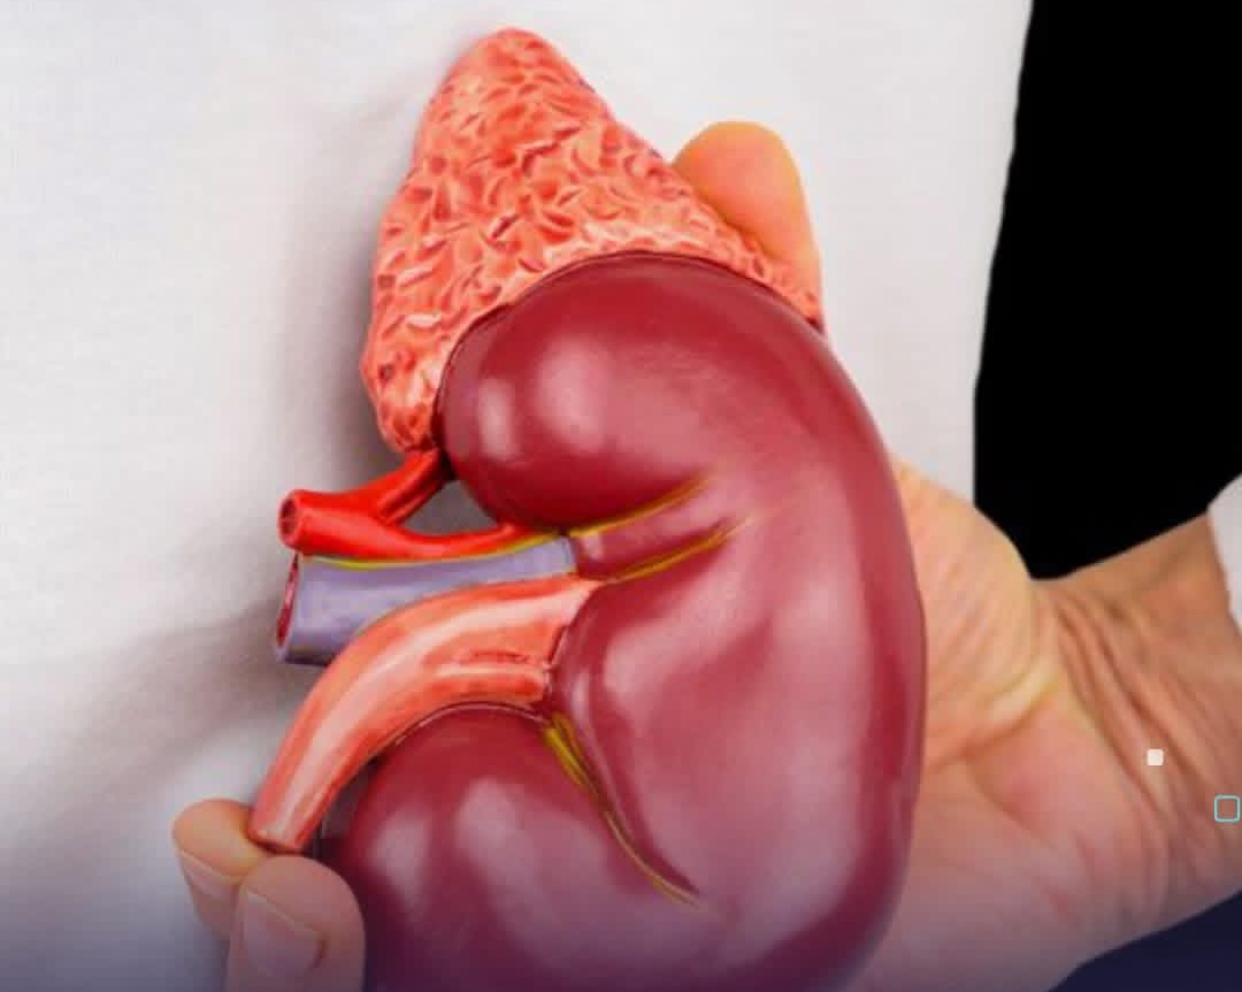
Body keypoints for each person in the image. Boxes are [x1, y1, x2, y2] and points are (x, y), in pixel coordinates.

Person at [2, 4, 1238, 992]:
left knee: (441, 830)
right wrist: (1146, 721)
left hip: (844, 862)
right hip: (834, 882)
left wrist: (1174, 716)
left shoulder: (559, 383)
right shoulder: (579, 390)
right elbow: (470, 621)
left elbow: (422, 642)